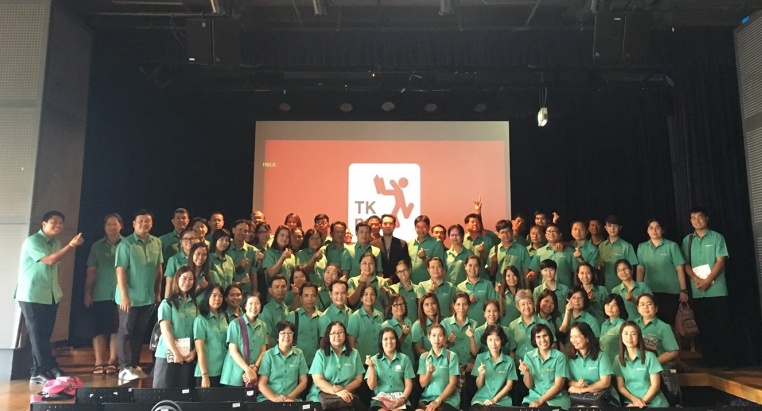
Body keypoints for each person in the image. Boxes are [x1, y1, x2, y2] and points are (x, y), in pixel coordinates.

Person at [16, 211, 84, 382]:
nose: (58, 225)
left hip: (51, 295)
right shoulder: (33, 241)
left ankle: (40, 370)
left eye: (61, 223)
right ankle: (43, 368)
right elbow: (50, 260)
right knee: (37, 334)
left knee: (44, 335)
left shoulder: (56, 242)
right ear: (44, 224)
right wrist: (71, 246)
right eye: (54, 222)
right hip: (32, 295)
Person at [115, 209, 163, 381]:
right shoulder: (125, 244)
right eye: (140, 221)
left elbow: (159, 269)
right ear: (134, 224)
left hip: (148, 297)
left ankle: (134, 364)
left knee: (139, 332)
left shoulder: (156, 242)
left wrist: (157, 292)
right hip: (129, 297)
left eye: (147, 221)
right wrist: (124, 295)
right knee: (125, 331)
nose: (144, 224)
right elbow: (120, 271)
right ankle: (124, 367)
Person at [681, 207, 732, 368]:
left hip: (717, 289)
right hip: (698, 290)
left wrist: (708, 280)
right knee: (704, 326)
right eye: (693, 218)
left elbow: (721, 261)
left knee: (722, 325)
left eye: (700, 217)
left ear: (707, 219)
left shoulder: (717, 237)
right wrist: (696, 279)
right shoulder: (687, 240)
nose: (697, 220)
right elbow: (685, 263)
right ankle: (709, 361)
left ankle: (726, 361)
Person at [84, 213, 123, 375]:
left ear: (121, 226)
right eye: (108, 224)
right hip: (100, 292)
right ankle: (99, 361)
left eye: (115, 224)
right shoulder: (97, 246)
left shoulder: (127, 244)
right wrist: (88, 292)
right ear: (104, 227)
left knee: (116, 328)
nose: (112, 227)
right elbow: (91, 270)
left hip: (121, 294)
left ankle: (113, 361)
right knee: (99, 329)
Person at [153, 266, 198, 389]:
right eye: (184, 278)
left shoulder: (195, 304)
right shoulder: (167, 303)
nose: (187, 282)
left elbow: (198, 332)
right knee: (164, 393)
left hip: (187, 356)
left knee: (184, 394)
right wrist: (176, 352)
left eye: (191, 279)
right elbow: (165, 330)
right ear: (177, 279)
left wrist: (194, 352)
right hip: (167, 355)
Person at [636, 219, 688, 325]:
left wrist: (683, 290)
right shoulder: (642, 247)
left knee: (669, 323)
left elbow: (680, 269)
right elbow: (640, 269)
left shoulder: (672, 246)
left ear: (662, 230)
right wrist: (638, 289)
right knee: (650, 322)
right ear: (647, 231)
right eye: (651, 228)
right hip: (650, 291)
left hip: (671, 291)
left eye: (657, 228)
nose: (654, 230)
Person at [307, 321, 365, 409]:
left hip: (345, 397)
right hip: (320, 398)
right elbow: (318, 380)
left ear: (345, 335)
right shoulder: (320, 353)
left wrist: (343, 391)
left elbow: (358, 379)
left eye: (340, 332)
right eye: (333, 333)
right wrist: (336, 391)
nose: (337, 335)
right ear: (328, 336)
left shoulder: (354, 354)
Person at [613, 321, 669, 408]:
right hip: (631, 403)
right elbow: (621, 386)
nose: (629, 337)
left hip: (655, 404)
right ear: (621, 336)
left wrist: (640, 403)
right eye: (626, 334)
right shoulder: (618, 359)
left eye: (633, 334)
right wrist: (635, 400)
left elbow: (655, 386)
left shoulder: (650, 356)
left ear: (638, 336)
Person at [518, 323, 570, 409]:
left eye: (545, 335)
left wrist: (540, 401)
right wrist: (527, 372)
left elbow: (558, 386)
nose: (542, 339)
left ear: (550, 337)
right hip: (534, 398)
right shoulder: (528, 356)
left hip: (556, 400)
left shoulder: (560, 357)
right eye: (538, 337)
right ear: (534, 340)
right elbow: (529, 386)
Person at [220, 292, 268, 386]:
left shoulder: (263, 325)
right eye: (250, 303)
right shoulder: (235, 324)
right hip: (234, 375)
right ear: (245, 306)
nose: (254, 307)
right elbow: (233, 351)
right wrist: (248, 370)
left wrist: (254, 369)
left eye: (257, 303)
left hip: (253, 374)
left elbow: (263, 351)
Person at [441, 292, 478, 410]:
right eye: (458, 304)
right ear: (453, 305)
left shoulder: (474, 324)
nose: (461, 308)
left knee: (468, 394)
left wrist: (473, 359)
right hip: (451, 367)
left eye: (465, 304)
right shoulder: (445, 323)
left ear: (469, 306)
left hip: (468, 366)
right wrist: (448, 342)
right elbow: (440, 348)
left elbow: (475, 352)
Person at [566, 322, 617, 406]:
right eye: (571, 337)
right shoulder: (570, 358)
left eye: (577, 337)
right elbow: (568, 380)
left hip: (603, 398)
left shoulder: (602, 356)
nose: (573, 340)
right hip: (581, 399)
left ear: (587, 338)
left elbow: (605, 383)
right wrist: (577, 384)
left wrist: (582, 390)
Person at [257, 321, 309, 402]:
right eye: (283, 333)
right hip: (269, 399)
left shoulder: (299, 354)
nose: (287, 336)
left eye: (290, 333)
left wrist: (288, 398)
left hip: (291, 400)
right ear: (277, 337)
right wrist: (276, 399)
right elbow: (261, 384)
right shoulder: (268, 355)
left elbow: (303, 381)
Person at [366, 328, 415, 411]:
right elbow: (371, 386)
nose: (389, 341)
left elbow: (408, 385)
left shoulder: (405, 359)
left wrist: (402, 399)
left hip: (400, 398)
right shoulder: (374, 360)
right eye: (385, 339)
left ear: (396, 340)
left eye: (392, 338)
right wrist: (371, 367)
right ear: (381, 342)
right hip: (380, 400)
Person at [470, 325, 517, 410]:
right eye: (490, 340)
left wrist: (494, 400)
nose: (493, 344)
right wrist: (481, 375)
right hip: (481, 399)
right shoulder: (480, 358)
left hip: (502, 401)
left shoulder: (509, 361)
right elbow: (479, 386)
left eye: (497, 340)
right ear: (486, 341)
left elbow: (509, 386)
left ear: (502, 341)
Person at [416, 323, 460, 411]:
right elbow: (422, 384)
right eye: (433, 335)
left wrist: (437, 401)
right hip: (427, 398)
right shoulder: (424, 357)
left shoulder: (451, 356)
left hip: (447, 400)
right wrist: (429, 373)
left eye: (440, 335)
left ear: (444, 338)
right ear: (429, 337)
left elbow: (452, 384)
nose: (436, 339)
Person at [194, 284, 228, 387]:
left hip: (224, 371)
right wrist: (204, 375)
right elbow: (199, 350)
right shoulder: (201, 320)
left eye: (220, 296)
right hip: (208, 372)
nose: (217, 299)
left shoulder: (224, 316)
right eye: (214, 295)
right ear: (207, 296)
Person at [597, 215, 639, 291]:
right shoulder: (601, 246)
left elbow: (632, 268)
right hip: (605, 287)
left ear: (620, 228)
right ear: (605, 228)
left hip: (622, 288)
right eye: (610, 226)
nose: (612, 229)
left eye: (615, 226)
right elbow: (599, 266)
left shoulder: (627, 246)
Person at [635, 294, 679, 364]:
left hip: (656, 367)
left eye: (649, 304)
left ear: (656, 308)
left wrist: (653, 363)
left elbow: (673, 352)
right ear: (638, 309)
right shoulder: (633, 324)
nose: (645, 307)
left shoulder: (664, 327)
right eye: (642, 304)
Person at [489, 220, 533, 289]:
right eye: (502, 232)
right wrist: (493, 262)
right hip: (500, 288)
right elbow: (491, 272)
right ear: (498, 235)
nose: (506, 235)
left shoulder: (521, 249)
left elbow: (526, 271)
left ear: (512, 232)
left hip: (518, 288)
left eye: (508, 231)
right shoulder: (494, 250)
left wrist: (528, 289)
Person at [285, 282, 322, 365]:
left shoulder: (322, 317)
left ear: (317, 297)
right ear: (300, 298)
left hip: (317, 364)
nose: (310, 299)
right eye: (306, 295)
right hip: (297, 364)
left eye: (313, 295)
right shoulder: (292, 317)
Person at [534, 224, 578, 288]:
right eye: (549, 232)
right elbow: (535, 271)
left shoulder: (570, 251)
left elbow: (576, 271)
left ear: (560, 234)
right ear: (545, 235)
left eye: (554, 231)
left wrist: (576, 287)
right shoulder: (539, 252)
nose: (551, 233)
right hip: (546, 290)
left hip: (565, 289)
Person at [457, 255, 497, 326]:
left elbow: (494, 305)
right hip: (466, 326)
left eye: (476, 266)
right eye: (470, 265)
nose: (473, 268)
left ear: (479, 268)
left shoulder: (488, 285)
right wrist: (467, 302)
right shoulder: (460, 287)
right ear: (465, 266)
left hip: (485, 326)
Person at [372, 214, 411, 283]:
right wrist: (380, 279)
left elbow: (405, 263)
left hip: (398, 282)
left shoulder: (402, 244)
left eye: (391, 223)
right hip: (378, 282)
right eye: (385, 223)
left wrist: (392, 279)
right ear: (380, 226)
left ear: (394, 226)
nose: (388, 226)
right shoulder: (373, 244)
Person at [348, 286, 385, 359]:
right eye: (366, 294)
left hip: (379, 359)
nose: (369, 297)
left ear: (376, 297)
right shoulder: (355, 317)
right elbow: (351, 342)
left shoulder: (380, 315)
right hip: (362, 360)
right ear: (361, 298)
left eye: (372, 294)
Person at [409, 215, 446, 284]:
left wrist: (424, 258)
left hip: (429, 285)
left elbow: (438, 266)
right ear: (415, 228)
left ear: (429, 227)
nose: (421, 230)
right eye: (418, 227)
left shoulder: (436, 243)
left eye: (424, 227)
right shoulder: (410, 243)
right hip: (411, 284)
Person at [164, 229, 200, 297]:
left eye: (192, 238)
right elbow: (169, 283)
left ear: (198, 240)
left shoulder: (201, 258)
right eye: (185, 238)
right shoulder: (174, 259)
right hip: (179, 297)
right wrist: (167, 300)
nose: (189, 241)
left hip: (199, 297)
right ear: (180, 241)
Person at [383, 293, 415, 366]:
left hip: (410, 361)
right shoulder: (386, 325)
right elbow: (390, 347)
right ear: (390, 308)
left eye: (402, 304)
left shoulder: (408, 322)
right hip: (396, 364)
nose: (399, 307)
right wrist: (403, 336)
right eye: (396, 305)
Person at [228, 219, 257, 295]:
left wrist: (254, 291)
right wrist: (239, 266)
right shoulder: (226, 247)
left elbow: (253, 273)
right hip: (228, 290)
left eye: (246, 231)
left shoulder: (252, 250)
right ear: (233, 230)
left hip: (246, 292)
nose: (243, 233)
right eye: (240, 229)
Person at [260, 275, 290, 347]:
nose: (280, 290)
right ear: (270, 290)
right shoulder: (266, 310)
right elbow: (266, 339)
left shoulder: (285, 307)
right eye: (277, 287)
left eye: (283, 286)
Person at [599, 294, 629, 362]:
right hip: (605, 362)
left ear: (620, 307)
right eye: (607, 304)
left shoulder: (623, 325)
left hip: (618, 364)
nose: (610, 308)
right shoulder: (604, 325)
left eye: (614, 305)